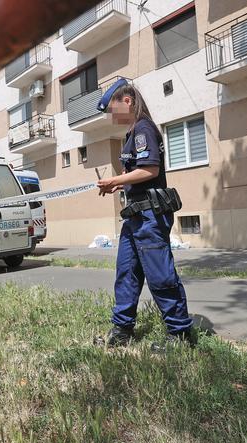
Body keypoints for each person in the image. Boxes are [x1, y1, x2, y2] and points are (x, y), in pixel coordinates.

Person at [95, 79, 194, 349]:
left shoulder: (143, 129)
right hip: (134, 216)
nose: (110, 117)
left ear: (127, 101)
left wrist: (115, 180)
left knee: (160, 275)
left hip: (150, 216)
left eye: (112, 109)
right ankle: (121, 331)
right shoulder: (130, 135)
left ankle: (180, 334)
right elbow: (136, 176)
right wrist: (119, 183)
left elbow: (150, 170)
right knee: (126, 273)